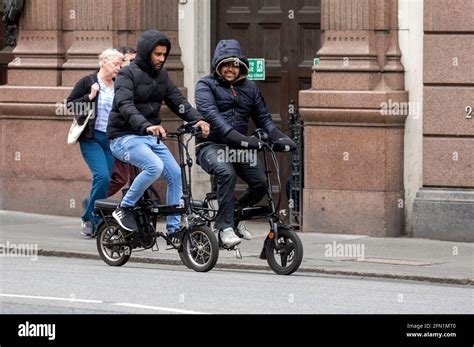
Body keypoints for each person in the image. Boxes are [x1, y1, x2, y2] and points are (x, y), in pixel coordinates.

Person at [107, 29, 210, 241]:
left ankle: (173, 230)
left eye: (164, 55)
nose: (161, 59)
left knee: (175, 174)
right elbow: (125, 105)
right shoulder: (127, 74)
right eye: (157, 54)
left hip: (149, 138)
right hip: (123, 137)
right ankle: (124, 208)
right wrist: (146, 126)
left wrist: (197, 119)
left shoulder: (162, 75)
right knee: (155, 167)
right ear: (146, 53)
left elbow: (177, 101)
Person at [195, 39, 295, 247]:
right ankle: (224, 228)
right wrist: (245, 140)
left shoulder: (250, 88)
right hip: (211, 146)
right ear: (218, 65)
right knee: (226, 172)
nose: (231, 69)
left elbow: (265, 120)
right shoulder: (205, 85)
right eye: (226, 64)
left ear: (242, 66)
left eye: (236, 65)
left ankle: (235, 215)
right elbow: (215, 119)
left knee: (260, 183)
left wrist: (281, 139)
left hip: (239, 147)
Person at [67, 48, 124, 237]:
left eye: (120, 64)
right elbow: (70, 104)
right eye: (116, 63)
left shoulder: (119, 85)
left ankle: (91, 208)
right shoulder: (88, 82)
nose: (119, 67)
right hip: (91, 138)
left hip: (110, 139)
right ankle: (91, 219)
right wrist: (89, 97)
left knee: (107, 178)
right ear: (103, 62)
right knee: (102, 176)